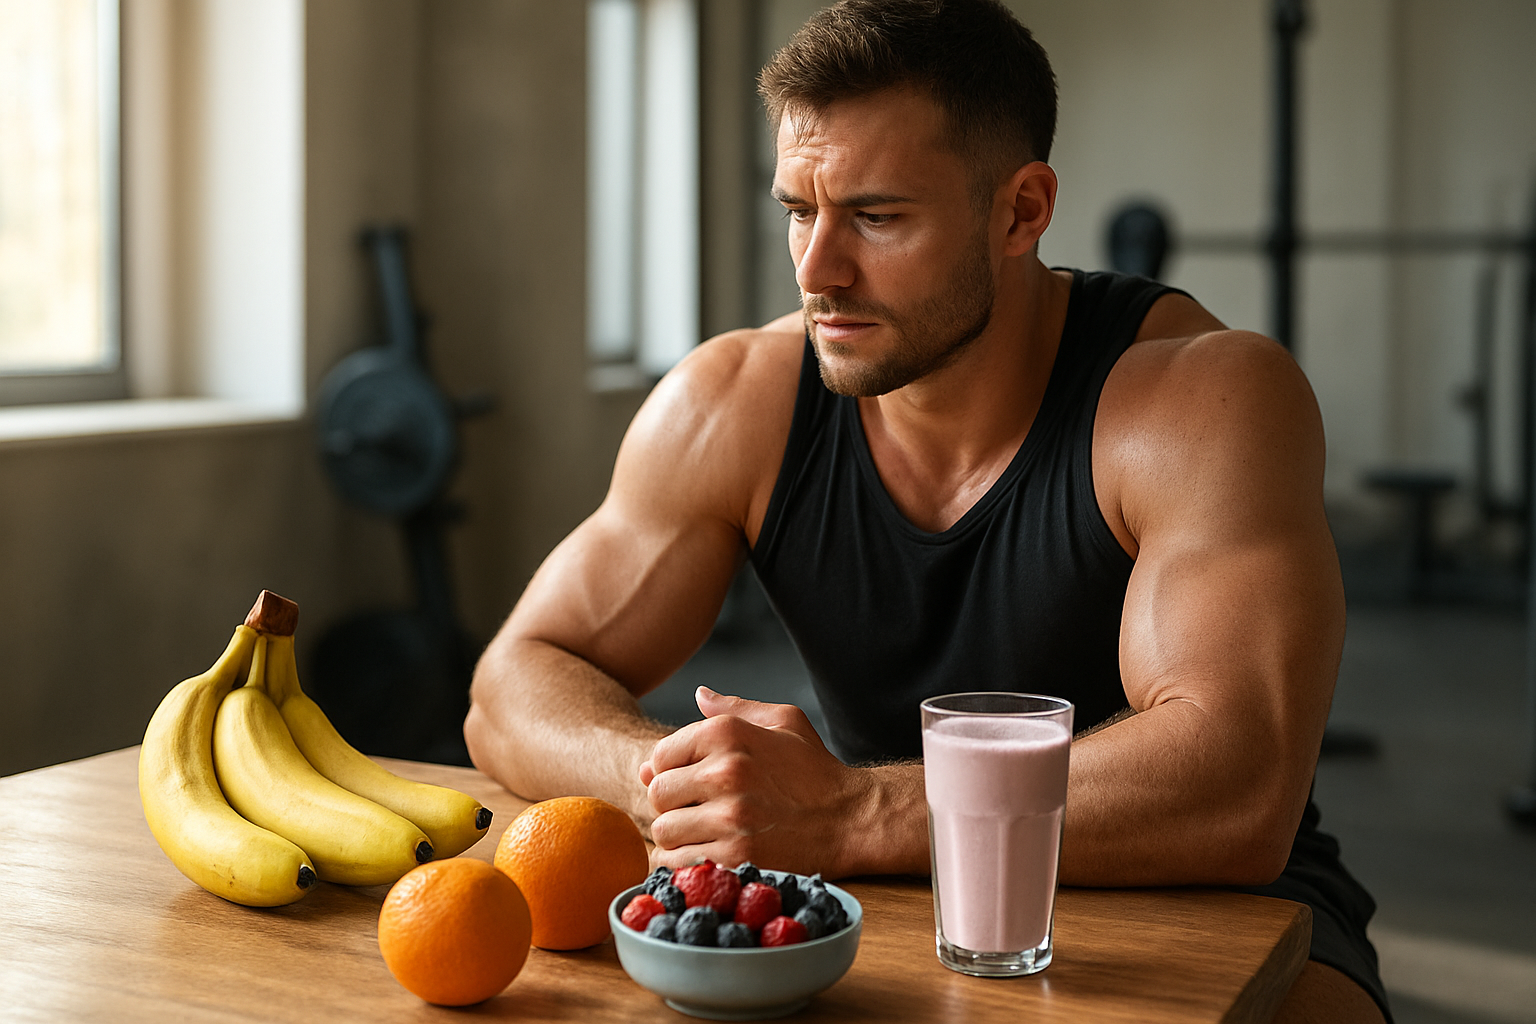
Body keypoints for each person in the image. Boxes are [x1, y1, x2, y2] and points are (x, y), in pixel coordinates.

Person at [464, 1, 1388, 1020]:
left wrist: (853, 812)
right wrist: (687, 791)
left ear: (1021, 212)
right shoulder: (735, 401)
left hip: (1218, 905)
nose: (818, 270)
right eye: (797, 211)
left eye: (876, 216)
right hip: (898, 886)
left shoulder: (1196, 401)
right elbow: (511, 684)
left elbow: (1237, 786)